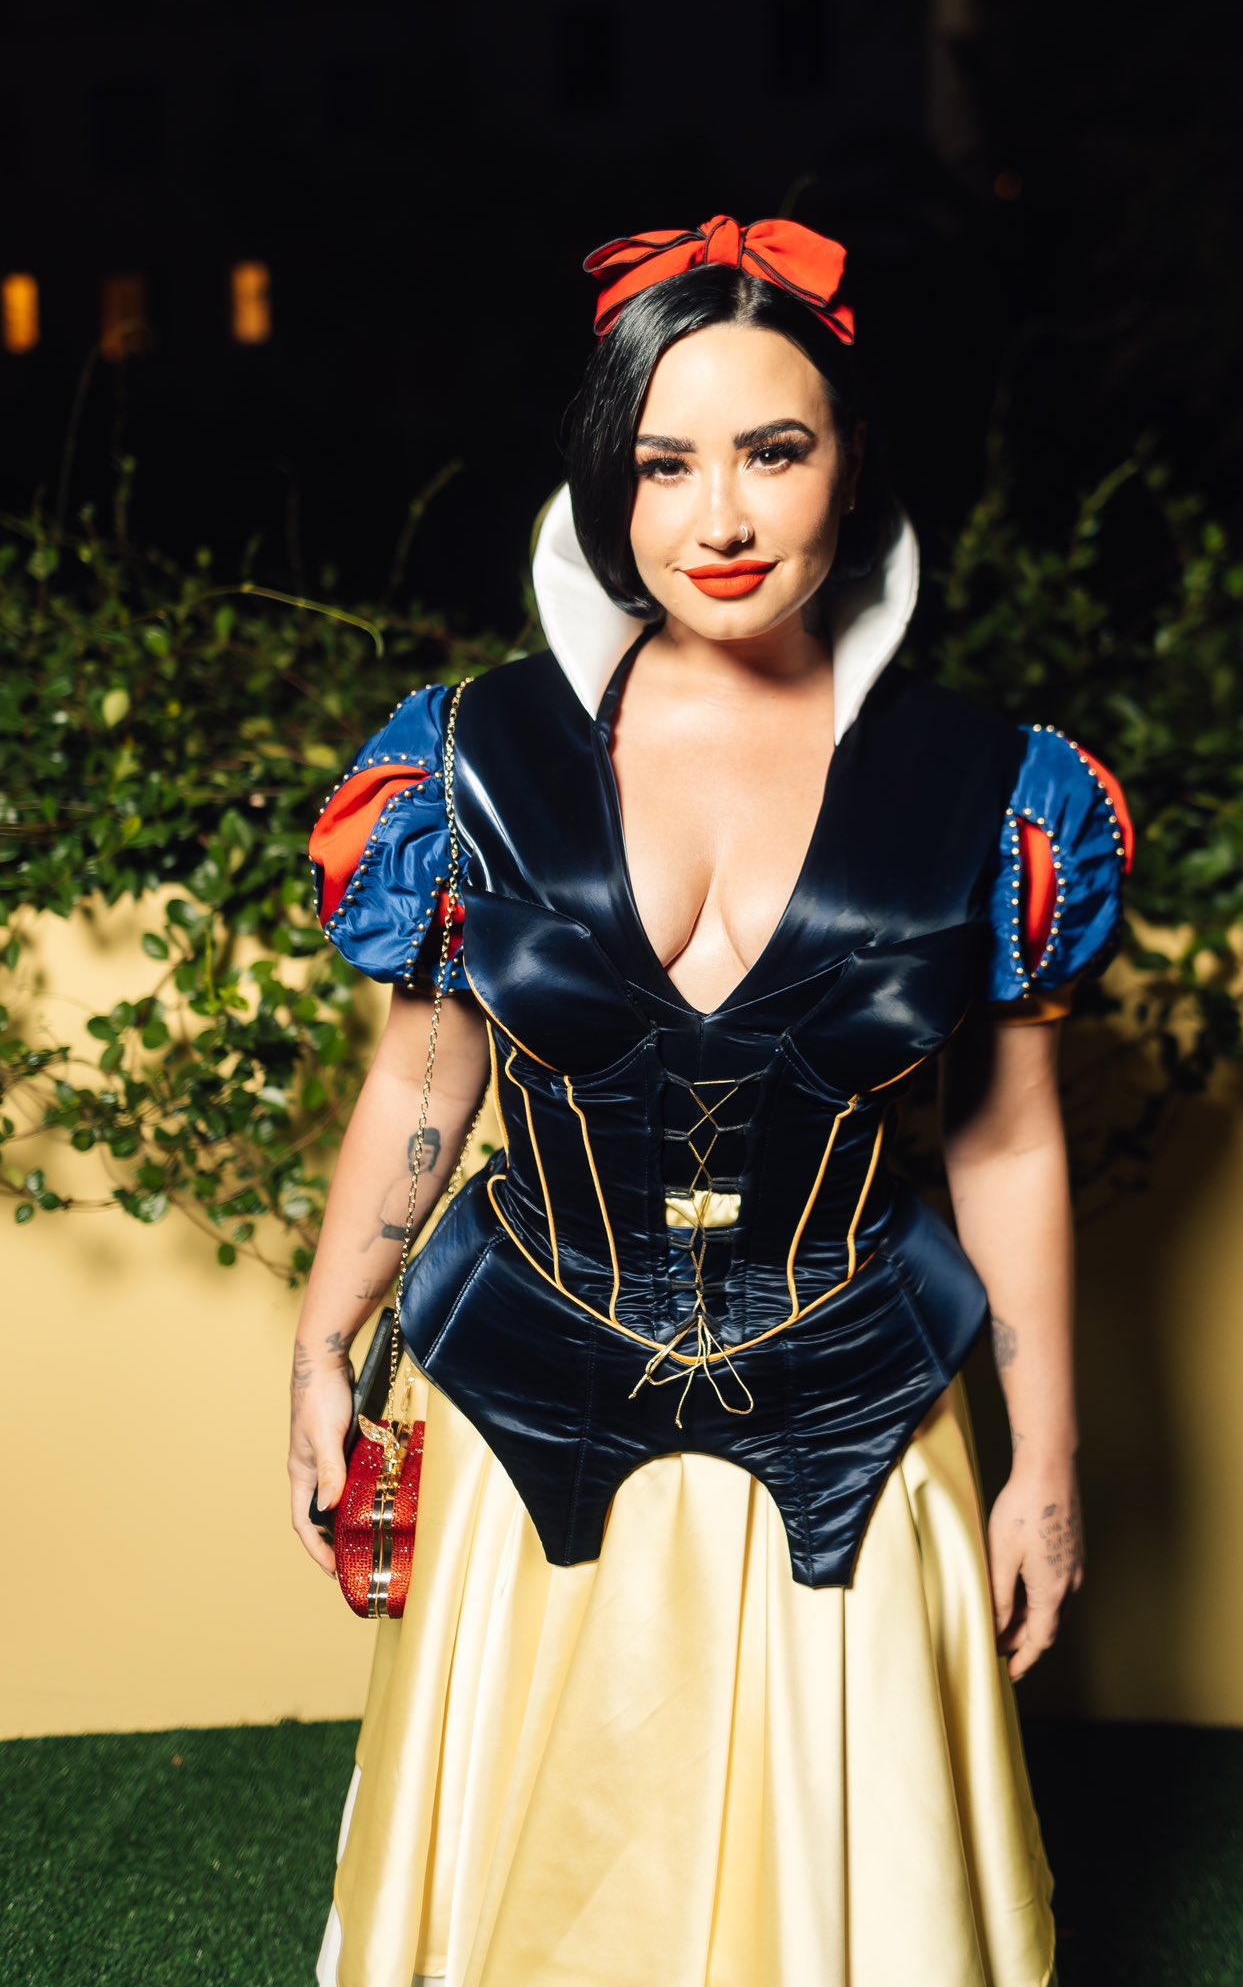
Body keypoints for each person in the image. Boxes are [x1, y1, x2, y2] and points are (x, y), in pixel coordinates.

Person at [290, 212, 1135, 1987]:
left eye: (773, 450)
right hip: (525, 1396)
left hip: (858, 1404)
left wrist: (1044, 1461)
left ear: (851, 467)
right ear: (607, 481)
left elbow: (1002, 1135)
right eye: (663, 463)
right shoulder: (466, 759)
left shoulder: (996, 787)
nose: (719, 519)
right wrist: (321, 1340)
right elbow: (428, 1070)